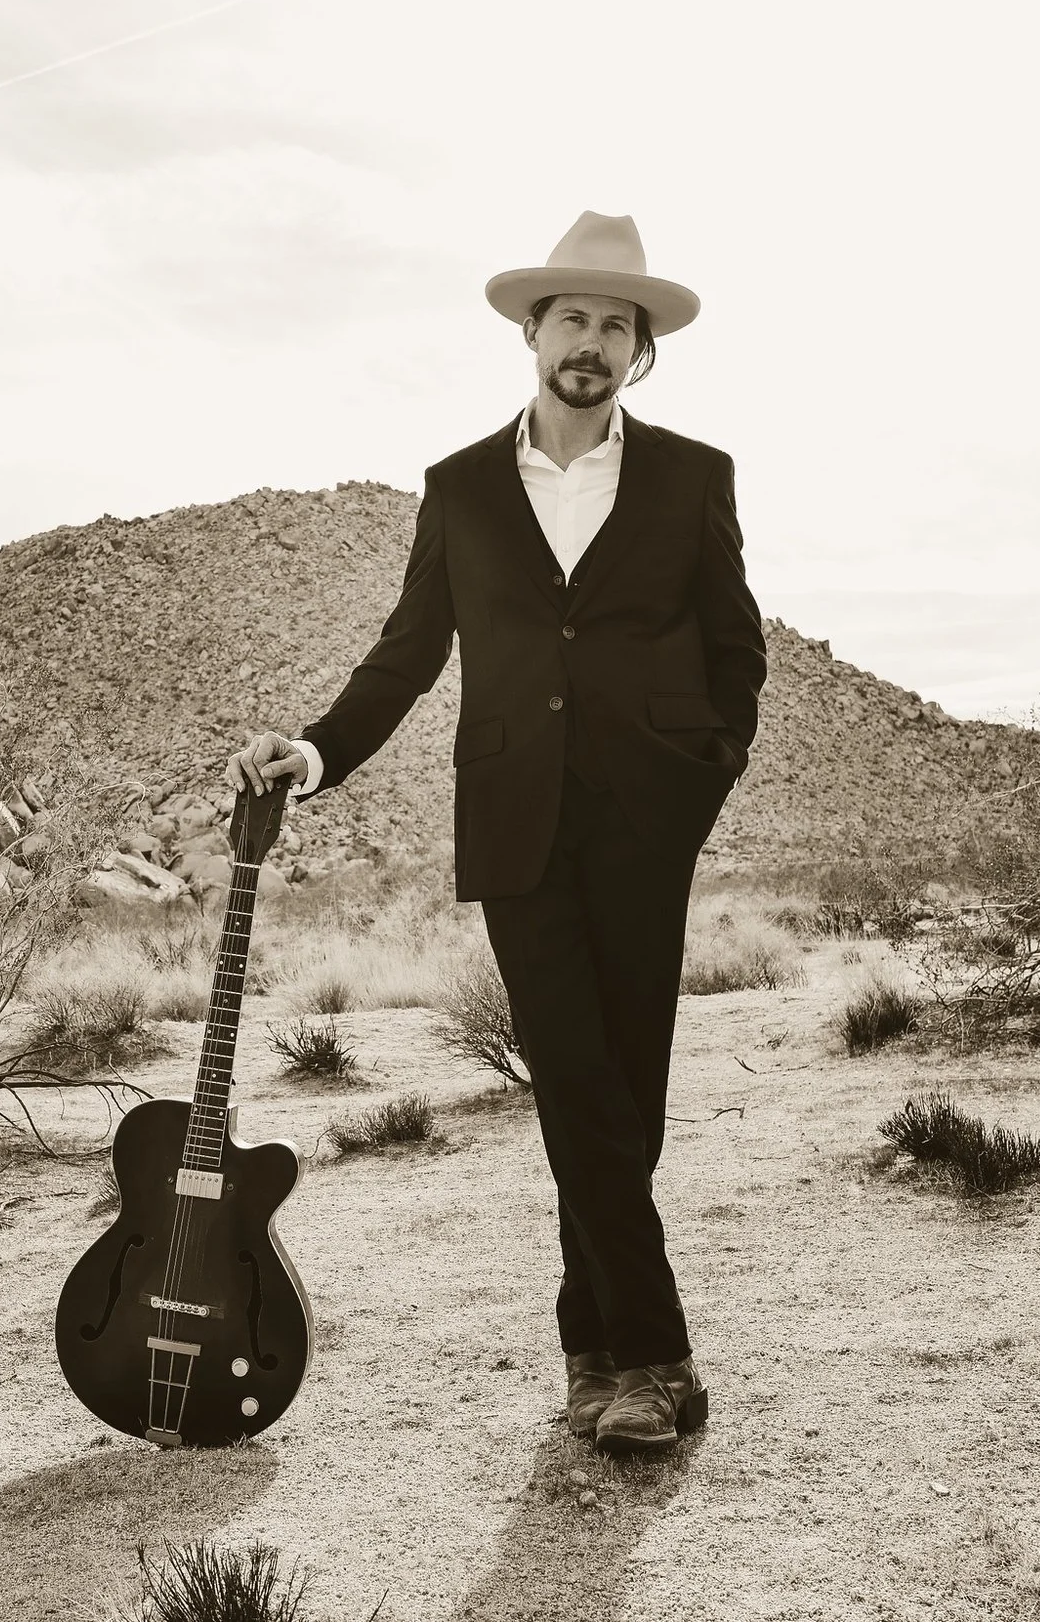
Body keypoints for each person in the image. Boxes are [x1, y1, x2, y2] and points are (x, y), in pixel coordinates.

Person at [224, 211, 766, 1452]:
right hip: (517, 821)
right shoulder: (461, 486)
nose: (592, 342)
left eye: (616, 325)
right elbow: (407, 651)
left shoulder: (693, 476)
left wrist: (704, 776)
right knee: (573, 1078)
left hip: (647, 820)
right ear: (532, 330)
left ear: (638, 350)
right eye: (572, 318)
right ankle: (657, 1358)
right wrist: (315, 750)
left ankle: (592, 1349)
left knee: (624, 1095)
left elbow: (736, 648)